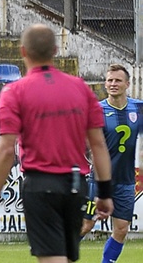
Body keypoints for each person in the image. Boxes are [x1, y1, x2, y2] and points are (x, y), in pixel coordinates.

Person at [0, 24, 114, 263]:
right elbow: (98, 145)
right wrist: (105, 192)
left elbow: (5, 149)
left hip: (41, 185)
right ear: (55, 50)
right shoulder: (80, 88)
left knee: (53, 258)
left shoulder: (15, 92)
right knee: (64, 256)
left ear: (23, 51)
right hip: (76, 185)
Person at [79, 64, 142, 263]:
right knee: (86, 225)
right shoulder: (96, 110)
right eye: (110, 80)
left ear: (127, 84)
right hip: (97, 182)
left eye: (117, 80)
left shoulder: (138, 108)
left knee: (122, 229)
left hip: (126, 182)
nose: (113, 84)